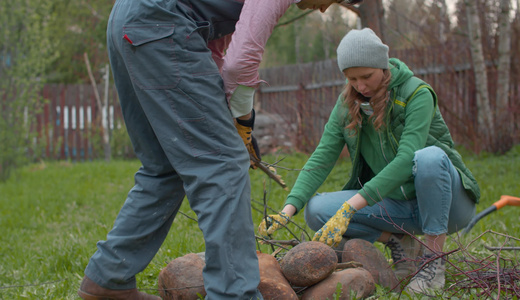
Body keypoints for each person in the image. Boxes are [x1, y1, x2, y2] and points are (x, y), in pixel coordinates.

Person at [77, 0, 367, 299]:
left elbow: (213, 53)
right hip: (160, 25)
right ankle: (234, 294)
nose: (322, 9)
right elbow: (241, 61)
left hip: (131, 21)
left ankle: (108, 278)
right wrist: (242, 119)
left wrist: (225, 117)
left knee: (163, 167)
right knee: (224, 165)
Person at [258, 28, 480, 294]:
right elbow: (321, 158)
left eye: (367, 76)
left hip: (449, 204)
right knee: (317, 209)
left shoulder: (417, 93)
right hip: (400, 209)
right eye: (352, 79)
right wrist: (288, 209)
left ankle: (433, 261)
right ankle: (401, 242)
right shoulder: (347, 105)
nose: (360, 86)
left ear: (383, 67)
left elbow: (407, 158)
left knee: (428, 158)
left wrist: (352, 204)